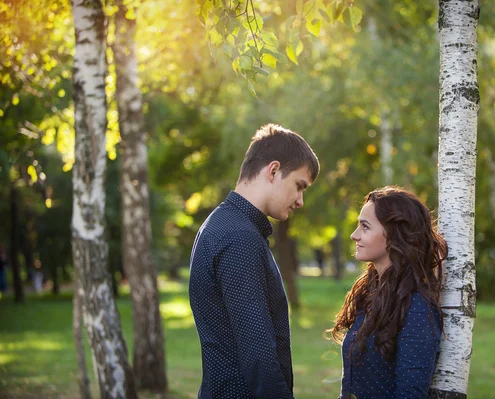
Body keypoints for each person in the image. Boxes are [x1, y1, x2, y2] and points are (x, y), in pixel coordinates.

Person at [189, 124, 319, 399]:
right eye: (299, 186)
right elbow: (258, 355)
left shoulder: (221, 223)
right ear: (273, 171)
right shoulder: (239, 237)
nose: (300, 201)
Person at [328, 186, 448, 399]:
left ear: (394, 233)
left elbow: (410, 394)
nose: (354, 235)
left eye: (365, 227)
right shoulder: (368, 295)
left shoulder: (417, 307)